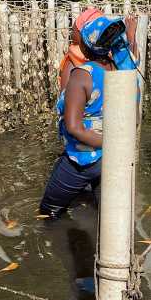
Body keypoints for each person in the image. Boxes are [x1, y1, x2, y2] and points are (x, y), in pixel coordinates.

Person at [39, 18, 120, 218]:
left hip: (86, 156)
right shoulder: (118, 69)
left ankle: (54, 237)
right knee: (106, 214)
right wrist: (118, 146)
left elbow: (74, 127)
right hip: (114, 156)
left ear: (85, 45)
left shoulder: (83, 74)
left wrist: (108, 143)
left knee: (49, 211)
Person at [58, 8, 140, 90]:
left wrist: (131, 37)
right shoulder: (74, 61)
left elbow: (132, 65)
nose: (72, 34)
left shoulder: (112, 58)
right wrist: (131, 37)